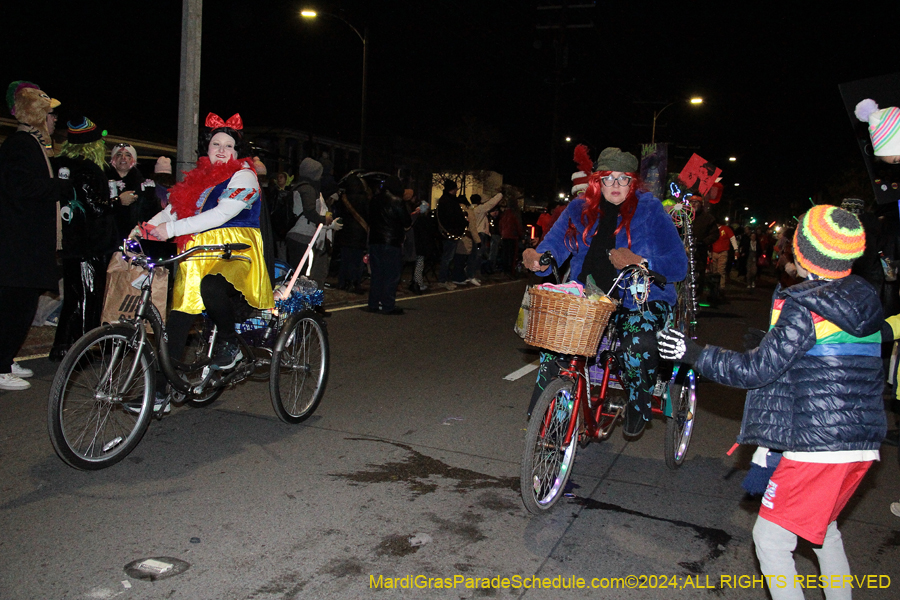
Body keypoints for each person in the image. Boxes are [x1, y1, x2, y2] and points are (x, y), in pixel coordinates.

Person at [658, 205, 884, 600]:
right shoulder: (862, 300)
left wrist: (693, 354)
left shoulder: (806, 305)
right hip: (861, 442)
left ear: (802, 251)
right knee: (824, 532)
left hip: (818, 446)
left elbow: (754, 372)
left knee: (770, 540)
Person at [523, 146, 688, 436]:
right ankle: (554, 417)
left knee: (638, 342)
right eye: (607, 178)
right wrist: (538, 258)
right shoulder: (578, 209)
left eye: (623, 179)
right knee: (554, 347)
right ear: (597, 181)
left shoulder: (650, 211)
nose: (615, 185)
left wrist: (640, 261)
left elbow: (678, 265)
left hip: (641, 300)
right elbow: (556, 244)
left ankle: (639, 403)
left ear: (633, 182)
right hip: (588, 298)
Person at [141, 112, 273, 379]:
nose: (221, 151)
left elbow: (221, 214)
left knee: (210, 286)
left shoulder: (244, 176)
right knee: (180, 312)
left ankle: (229, 340)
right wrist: (144, 229)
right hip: (199, 251)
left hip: (237, 252)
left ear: (237, 152)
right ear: (207, 148)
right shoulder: (199, 177)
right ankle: (160, 389)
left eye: (228, 146)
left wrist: (171, 230)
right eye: (216, 144)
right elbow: (175, 209)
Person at [0, 81, 68, 390]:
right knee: (16, 307)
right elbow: (19, 188)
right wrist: (60, 187)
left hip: (25, 245)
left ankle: (7, 358)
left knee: (21, 306)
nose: (55, 120)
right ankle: (1, 367)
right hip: (19, 245)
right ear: (38, 114)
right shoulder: (21, 144)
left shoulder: (35, 145)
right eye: (51, 114)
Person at [50, 116, 120, 361]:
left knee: (73, 296)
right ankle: (83, 348)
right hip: (89, 244)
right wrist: (118, 201)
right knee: (88, 296)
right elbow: (95, 208)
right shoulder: (88, 169)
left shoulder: (60, 165)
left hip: (69, 240)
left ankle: (62, 346)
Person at [285, 157, 339, 317]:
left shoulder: (300, 186)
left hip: (297, 235)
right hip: (302, 236)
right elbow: (309, 211)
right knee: (302, 275)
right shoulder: (308, 189)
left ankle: (298, 307)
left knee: (297, 273)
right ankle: (298, 310)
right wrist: (325, 220)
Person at [365, 175, 411, 315]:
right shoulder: (397, 201)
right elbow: (406, 222)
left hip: (375, 240)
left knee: (377, 274)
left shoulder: (375, 200)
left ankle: (373, 303)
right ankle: (387, 305)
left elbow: (369, 218)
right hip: (391, 241)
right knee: (391, 275)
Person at [106, 143, 161, 241]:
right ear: (113, 160)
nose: (123, 158)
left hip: (136, 241)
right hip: (108, 240)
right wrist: (118, 201)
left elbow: (154, 215)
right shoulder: (102, 183)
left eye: (128, 155)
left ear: (133, 160)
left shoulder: (145, 186)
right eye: (119, 154)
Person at [435, 179, 467, 290]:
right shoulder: (448, 202)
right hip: (450, 232)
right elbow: (452, 217)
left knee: (448, 257)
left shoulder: (447, 200)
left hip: (451, 232)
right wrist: (462, 223)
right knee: (447, 258)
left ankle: (445, 278)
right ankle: (443, 279)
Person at [710, 221, 738, 294]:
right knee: (714, 270)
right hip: (714, 252)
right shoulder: (713, 230)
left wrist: (736, 249)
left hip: (723, 252)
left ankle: (721, 287)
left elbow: (732, 238)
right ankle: (714, 287)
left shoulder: (726, 229)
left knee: (721, 269)